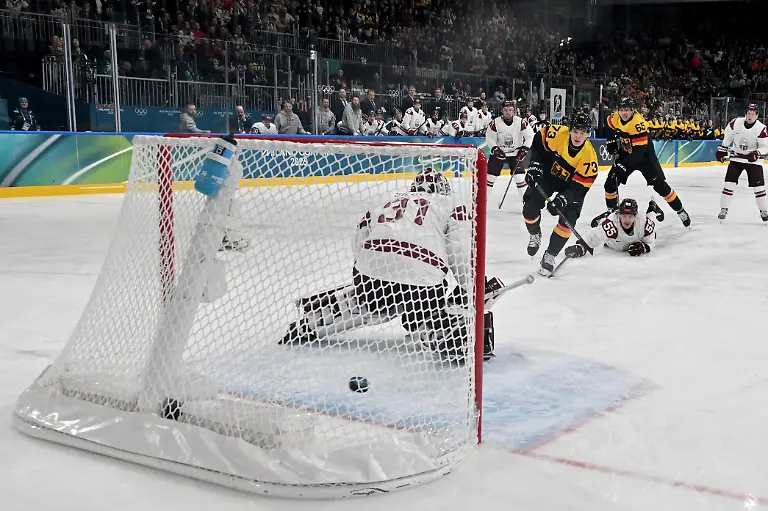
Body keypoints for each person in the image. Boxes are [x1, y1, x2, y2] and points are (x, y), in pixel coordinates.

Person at [279, 168, 492, 362]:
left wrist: (364, 272)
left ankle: (312, 322)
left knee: (372, 303)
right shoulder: (451, 205)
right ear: (443, 189)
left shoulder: (388, 201)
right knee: (427, 300)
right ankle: (432, 331)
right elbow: (458, 249)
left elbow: (360, 234)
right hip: (420, 279)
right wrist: (471, 287)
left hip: (371, 274)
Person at [523, 111, 599, 276]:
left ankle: (550, 255)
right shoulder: (557, 134)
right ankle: (535, 234)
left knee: (568, 219)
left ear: (588, 134)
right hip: (550, 176)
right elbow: (539, 141)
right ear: (570, 129)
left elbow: (580, 187)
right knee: (529, 207)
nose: (578, 136)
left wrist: (563, 199)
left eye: (583, 132)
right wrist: (535, 165)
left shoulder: (589, 158)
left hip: (572, 186)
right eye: (575, 131)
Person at [604, 97, 690, 227]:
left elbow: (639, 152)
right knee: (610, 183)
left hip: (645, 157)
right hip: (626, 152)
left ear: (633, 110)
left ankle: (680, 210)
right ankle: (612, 214)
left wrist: (623, 165)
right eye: (621, 110)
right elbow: (609, 125)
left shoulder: (638, 123)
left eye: (627, 110)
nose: (624, 113)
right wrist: (610, 140)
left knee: (660, 185)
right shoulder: (615, 117)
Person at [716, 104, 768, 222]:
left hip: (754, 161)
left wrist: (757, 153)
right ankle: (724, 209)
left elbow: (765, 147)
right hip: (737, 158)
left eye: (753, 114)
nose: (750, 116)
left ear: (757, 116)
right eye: (749, 113)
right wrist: (722, 149)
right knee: (729, 184)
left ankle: (763, 211)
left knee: (759, 188)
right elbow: (728, 138)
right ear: (745, 114)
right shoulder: (735, 123)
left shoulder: (761, 128)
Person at [564, 198, 657, 258]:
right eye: (624, 215)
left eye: (630, 216)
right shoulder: (611, 224)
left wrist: (644, 247)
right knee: (596, 224)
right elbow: (594, 235)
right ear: (619, 214)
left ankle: (653, 208)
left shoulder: (643, 222)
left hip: (624, 241)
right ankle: (605, 216)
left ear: (636, 216)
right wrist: (581, 247)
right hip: (612, 244)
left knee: (652, 218)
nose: (627, 220)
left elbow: (651, 241)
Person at [485, 100, 534, 202]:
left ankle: (527, 203)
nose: (508, 112)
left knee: (520, 178)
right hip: (499, 153)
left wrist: (524, 149)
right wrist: (495, 149)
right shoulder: (495, 123)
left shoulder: (521, 122)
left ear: (514, 111)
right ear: (502, 111)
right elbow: (489, 138)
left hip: (516, 154)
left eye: (510, 110)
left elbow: (530, 136)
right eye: (506, 110)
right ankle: (481, 202)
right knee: (489, 178)